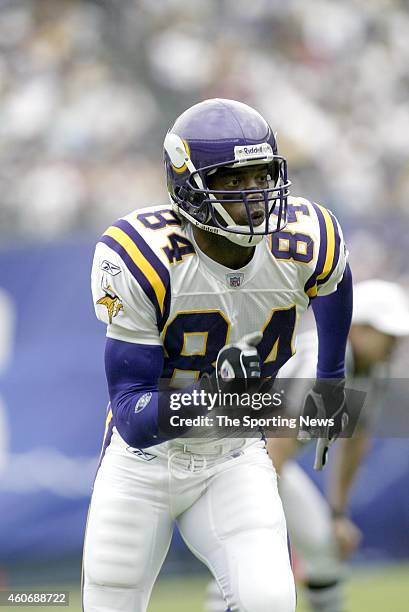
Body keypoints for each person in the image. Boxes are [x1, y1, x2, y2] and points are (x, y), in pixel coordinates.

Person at [82, 98, 352, 612]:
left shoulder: (307, 236)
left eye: (262, 176)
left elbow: (336, 282)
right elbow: (134, 417)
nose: (256, 195)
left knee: (268, 601)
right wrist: (208, 397)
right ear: (189, 187)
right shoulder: (142, 255)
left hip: (233, 453)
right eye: (234, 180)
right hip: (144, 463)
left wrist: (331, 379)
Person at [206, 279, 409, 612]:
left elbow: (356, 439)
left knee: (324, 549)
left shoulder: (373, 371)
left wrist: (338, 513)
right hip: (237, 457)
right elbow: (276, 438)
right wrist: (259, 517)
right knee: (243, 559)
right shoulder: (324, 359)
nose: (394, 343)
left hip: (262, 458)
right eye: (387, 333)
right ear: (356, 327)